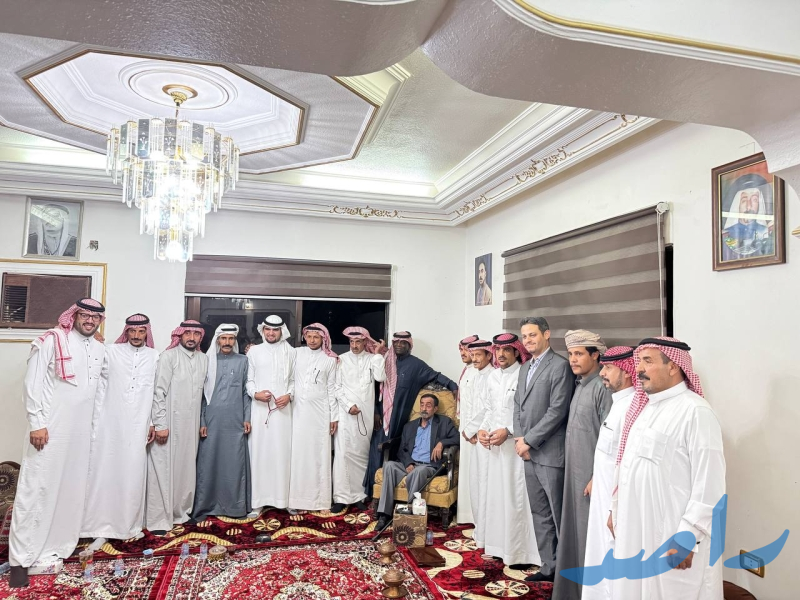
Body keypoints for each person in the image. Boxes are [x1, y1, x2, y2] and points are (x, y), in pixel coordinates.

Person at [610, 338, 725, 600]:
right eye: (639, 361)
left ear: (673, 366)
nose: (639, 368)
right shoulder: (644, 409)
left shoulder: (696, 411)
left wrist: (688, 535)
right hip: (634, 528)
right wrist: (614, 509)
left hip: (671, 534)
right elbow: (627, 467)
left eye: (647, 361)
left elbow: (710, 483)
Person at [8, 298, 106, 588]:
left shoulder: (99, 348)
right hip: (50, 428)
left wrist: (94, 430)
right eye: (85, 315)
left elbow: (96, 392)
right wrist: (36, 423)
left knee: (69, 490)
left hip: (80, 433)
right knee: (36, 489)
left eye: (95, 317)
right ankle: (20, 561)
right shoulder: (52, 340)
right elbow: (33, 382)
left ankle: (56, 547)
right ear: (73, 316)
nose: (89, 321)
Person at [82, 313, 159, 551]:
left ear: (147, 333)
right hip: (110, 424)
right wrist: (93, 339)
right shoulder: (111, 352)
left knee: (132, 473)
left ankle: (127, 526)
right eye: (132, 331)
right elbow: (94, 376)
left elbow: (156, 392)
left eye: (141, 331)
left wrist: (152, 422)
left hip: (138, 425)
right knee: (105, 471)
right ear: (126, 332)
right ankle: (98, 526)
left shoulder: (154, 356)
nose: (136, 335)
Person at [512, 316, 575, 583]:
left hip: (550, 455)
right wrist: (520, 439)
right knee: (540, 514)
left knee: (558, 515)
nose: (528, 340)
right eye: (524, 336)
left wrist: (529, 441)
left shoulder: (560, 366)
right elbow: (518, 405)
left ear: (547, 334)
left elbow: (557, 411)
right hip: (527, 452)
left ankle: (565, 575)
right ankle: (548, 568)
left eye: (532, 335)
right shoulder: (525, 367)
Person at [553, 329, 612, 600]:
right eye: (570, 354)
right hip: (574, 476)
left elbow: (610, 441)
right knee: (574, 535)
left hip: (590, 479)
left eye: (578, 354)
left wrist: (596, 477)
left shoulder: (602, 388)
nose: (573, 360)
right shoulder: (580, 384)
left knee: (589, 536)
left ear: (595, 355)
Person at [364, 331, 458, 493]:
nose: (399, 345)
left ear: (410, 345)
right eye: (396, 342)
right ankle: (372, 493)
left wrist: (453, 386)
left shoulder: (416, 365)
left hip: (399, 417)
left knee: (394, 450)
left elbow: (435, 376)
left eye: (403, 342)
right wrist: (376, 412)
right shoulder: (385, 360)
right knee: (376, 451)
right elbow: (375, 388)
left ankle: (396, 495)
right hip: (381, 417)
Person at [478, 333, 540, 567]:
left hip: (516, 446)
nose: (501, 354)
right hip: (495, 447)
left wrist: (509, 431)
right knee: (496, 497)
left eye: (506, 350)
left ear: (516, 352)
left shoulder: (524, 375)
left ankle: (520, 553)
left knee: (515, 498)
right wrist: (482, 430)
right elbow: (489, 409)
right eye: (498, 350)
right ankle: (498, 547)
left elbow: (530, 413)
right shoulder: (493, 377)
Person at [583, 346, 637, 600]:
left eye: (608, 368)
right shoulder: (618, 404)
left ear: (626, 371)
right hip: (602, 494)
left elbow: (627, 462)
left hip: (614, 502)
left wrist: (616, 508)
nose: (602, 373)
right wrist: (596, 478)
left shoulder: (632, 408)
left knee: (612, 557)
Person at [145, 320, 208, 534]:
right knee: (164, 470)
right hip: (169, 423)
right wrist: (160, 424)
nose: (191, 338)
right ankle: (158, 519)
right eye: (187, 333)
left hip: (191, 425)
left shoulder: (203, 359)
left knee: (186, 469)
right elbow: (158, 392)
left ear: (200, 337)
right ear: (179, 335)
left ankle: (182, 513)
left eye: (195, 334)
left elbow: (202, 396)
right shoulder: (168, 357)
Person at [192, 324, 251, 520]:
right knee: (209, 461)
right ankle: (207, 505)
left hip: (235, 420)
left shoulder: (243, 361)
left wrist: (247, 418)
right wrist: (202, 420)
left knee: (234, 463)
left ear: (235, 341)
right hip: (211, 421)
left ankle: (235, 507)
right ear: (217, 340)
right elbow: (201, 395)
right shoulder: (207, 361)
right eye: (223, 338)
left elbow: (246, 392)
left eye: (231, 338)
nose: (227, 342)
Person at [375, 393, 460, 529]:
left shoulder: (444, 423)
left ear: (435, 409)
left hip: (429, 466)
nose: (424, 408)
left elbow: (458, 437)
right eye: (422, 405)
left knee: (418, 472)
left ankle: (410, 513)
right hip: (410, 463)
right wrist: (409, 463)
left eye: (428, 405)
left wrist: (442, 443)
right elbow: (402, 450)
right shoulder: (410, 426)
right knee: (389, 465)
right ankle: (384, 514)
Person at [332, 326, 387, 513]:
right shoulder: (342, 360)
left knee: (362, 455)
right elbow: (336, 387)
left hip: (365, 416)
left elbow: (380, 376)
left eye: (358, 342)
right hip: (346, 414)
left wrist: (378, 353)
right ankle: (340, 498)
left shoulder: (372, 359)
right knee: (342, 455)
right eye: (352, 342)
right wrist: (348, 406)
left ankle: (359, 496)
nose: (354, 345)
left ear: (365, 342)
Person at [246, 315, 296, 513]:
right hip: (260, 411)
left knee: (283, 454)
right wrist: (255, 394)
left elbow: (294, 380)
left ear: (281, 331)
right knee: (259, 453)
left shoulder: (291, 352)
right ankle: (258, 502)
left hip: (283, 412)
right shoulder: (254, 352)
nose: (271, 333)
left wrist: (289, 395)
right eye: (267, 329)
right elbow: (249, 380)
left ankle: (284, 500)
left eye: (275, 330)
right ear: (263, 330)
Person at [288, 323, 338, 511]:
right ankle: (297, 500)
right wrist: (251, 348)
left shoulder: (330, 360)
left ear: (323, 338)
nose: (312, 340)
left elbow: (332, 389)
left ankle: (321, 501)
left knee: (319, 456)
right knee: (299, 456)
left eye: (316, 337)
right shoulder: (296, 353)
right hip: (298, 413)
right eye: (309, 336)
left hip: (320, 415)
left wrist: (334, 417)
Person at [461, 339, 496, 547]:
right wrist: (468, 431)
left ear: (489, 355)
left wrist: (471, 430)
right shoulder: (475, 375)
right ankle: (479, 528)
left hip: (486, 437)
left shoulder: (492, 376)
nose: (474, 359)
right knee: (475, 483)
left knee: (484, 484)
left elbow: (487, 409)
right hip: (474, 436)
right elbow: (469, 406)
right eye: (472, 355)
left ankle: (486, 532)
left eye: (478, 355)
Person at [720, 173, 773, 260]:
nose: (749, 206)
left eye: (754, 200)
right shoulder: (726, 235)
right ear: (737, 205)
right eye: (744, 201)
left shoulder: (766, 232)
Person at [455, 334, 479, 524]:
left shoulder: (480, 373)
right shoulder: (467, 371)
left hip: (476, 433)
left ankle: (476, 517)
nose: (463, 353)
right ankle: (466, 516)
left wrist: (473, 430)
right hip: (465, 431)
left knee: (476, 474)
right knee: (466, 474)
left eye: (467, 350)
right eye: (461, 350)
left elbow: (482, 406)